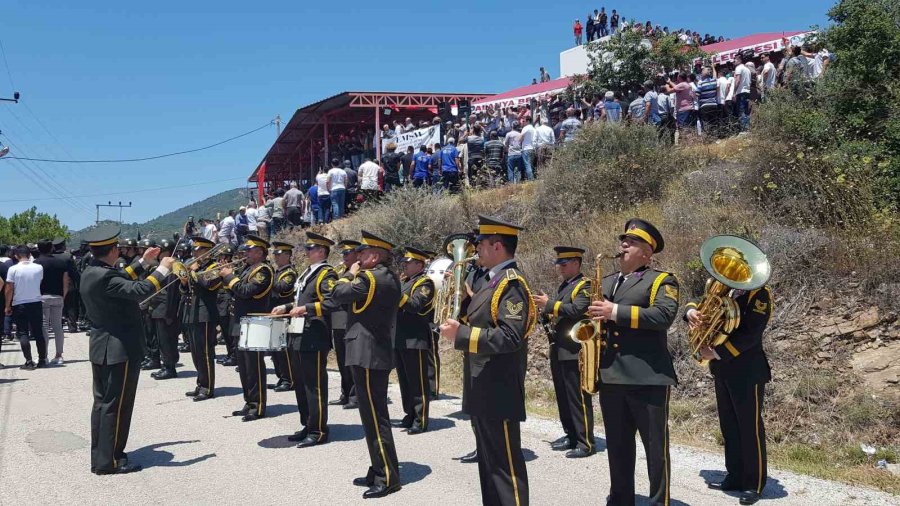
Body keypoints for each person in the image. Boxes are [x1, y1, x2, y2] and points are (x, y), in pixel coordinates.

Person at [439, 215, 535, 506]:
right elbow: (483, 318)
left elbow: (509, 337)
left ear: (497, 246)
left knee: (505, 467)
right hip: (483, 381)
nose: (475, 249)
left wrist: (462, 334)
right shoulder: (491, 282)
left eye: (480, 244)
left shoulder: (512, 284)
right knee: (490, 465)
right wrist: (462, 297)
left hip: (499, 385)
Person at [587, 219, 679, 506]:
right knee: (617, 444)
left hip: (647, 376)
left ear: (647, 253)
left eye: (632, 242)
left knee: (654, 448)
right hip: (612, 376)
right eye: (623, 240)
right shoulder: (605, 281)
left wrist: (614, 311)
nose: (623, 245)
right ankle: (620, 498)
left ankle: (657, 501)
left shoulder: (662, 280)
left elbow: (663, 317)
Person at [80, 224, 173, 474]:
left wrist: (143, 262)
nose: (120, 251)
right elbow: (139, 290)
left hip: (102, 346)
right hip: (119, 348)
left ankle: (101, 456)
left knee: (103, 404)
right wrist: (163, 269)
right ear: (112, 251)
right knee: (118, 406)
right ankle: (111, 460)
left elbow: (121, 280)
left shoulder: (92, 272)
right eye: (117, 248)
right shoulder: (107, 276)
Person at [329, 231, 402, 499]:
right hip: (369, 351)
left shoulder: (371, 278)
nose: (356, 258)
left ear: (374, 256)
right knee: (370, 417)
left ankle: (387, 477)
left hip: (370, 353)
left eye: (362, 254)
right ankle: (378, 467)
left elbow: (338, 292)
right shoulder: (380, 277)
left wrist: (349, 273)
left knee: (375, 417)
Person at [688, 276, 773, 506]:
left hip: (747, 371)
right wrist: (691, 312)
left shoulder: (759, 294)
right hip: (723, 370)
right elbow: (700, 303)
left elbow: (751, 334)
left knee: (749, 427)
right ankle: (735, 475)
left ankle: (753, 484)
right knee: (729, 426)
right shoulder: (723, 290)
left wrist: (717, 353)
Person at [273, 234, 338, 447]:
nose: (306, 251)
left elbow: (331, 302)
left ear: (321, 251)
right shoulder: (308, 272)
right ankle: (307, 424)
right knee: (301, 383)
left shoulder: (327, 274)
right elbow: (300, 300)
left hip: (314, 335)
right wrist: (287, 307)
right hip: (299, 334)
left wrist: (307, 309)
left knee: (314, 385)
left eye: (310, 248)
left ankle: (319, 429)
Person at [532, 246, 596, 459]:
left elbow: (577, 309)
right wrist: (545, 311)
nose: (560, 268)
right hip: (559, 347)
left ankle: (585, 441)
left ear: (577, 263)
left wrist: (549, 304)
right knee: (562, 395)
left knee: (577, 396)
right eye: (559, 264)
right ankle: (570, 434)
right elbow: (560, 312)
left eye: (564, 264)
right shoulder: (564, 286)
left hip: (574, 349)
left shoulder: (585, 285)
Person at [220, 235, 273, 421]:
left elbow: (245, 291)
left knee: (254, 367)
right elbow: (235, 290)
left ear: (259, 252)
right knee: (243, 366)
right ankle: (249, 401)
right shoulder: (247, 269)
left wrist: (229, 276)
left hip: (255, 322)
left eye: (250, 251)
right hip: (241, 322)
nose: (246, 254)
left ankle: (258, 406)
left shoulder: (263, 271)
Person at [394, 247, 436, 435]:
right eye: (404, 262)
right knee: (405, 380)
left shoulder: (425, 283)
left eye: (408, 263)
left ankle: (421, 418)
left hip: (415, 338)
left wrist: (394, 292)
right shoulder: (405, 281)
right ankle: (409, 413)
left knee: (418, 381)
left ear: (419, 264)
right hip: (401, 337)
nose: (404, 265)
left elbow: (415, 305)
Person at [178, 236, 221, 402]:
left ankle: (208, 386)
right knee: (195, 352)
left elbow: (209, 285)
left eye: (198, 250)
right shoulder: (194, 267)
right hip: (191, 312)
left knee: (205, 352)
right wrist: (183, 280)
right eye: (194, 250)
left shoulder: (215, 266)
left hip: (205, 314)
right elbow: (185, 291)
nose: (194, 252)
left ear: (206, 252)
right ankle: (200, 383)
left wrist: (194, 271)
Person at [330, 240, 361, 409]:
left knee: (352, 361)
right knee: (342, 361)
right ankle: (345, 392)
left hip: (351, 320)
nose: (344, 257)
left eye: (348, 253)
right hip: (338, 321)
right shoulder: (341, 271)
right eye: (343, 254)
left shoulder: (359, 273)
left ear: (357, 255)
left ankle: (355, 396)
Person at [4, 245, 47, 369]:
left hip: (20, 303)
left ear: (16, 256)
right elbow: (39, 282)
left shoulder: (13, 269)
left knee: (23, 332)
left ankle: (28, 361)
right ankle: (42, 360)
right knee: (38, 331)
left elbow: (9, 288)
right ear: (29, 255)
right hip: (36, 302)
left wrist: (8, 305)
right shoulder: (39, 268)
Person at [147, 238, 182, 380]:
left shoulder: (173, 266)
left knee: (167, 340)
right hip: (158, 308)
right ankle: (165, 365)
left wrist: (169, 314)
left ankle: (169, 368)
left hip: (165, 310)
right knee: (161, 340)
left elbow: (172, 293)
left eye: (161, 250)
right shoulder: (163, 265)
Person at [268, 241, 298, 393]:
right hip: (275, 314)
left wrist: (267, 278)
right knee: (275, 350)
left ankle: (289, 379)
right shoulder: (277, 272)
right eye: (275, 254)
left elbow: (281, 288)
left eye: (278, 254)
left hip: (285, 314)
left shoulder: (289, 273)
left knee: (284, 349)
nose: (275, 257)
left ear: (287, 255)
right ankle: (281, 377)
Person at [35, 239, 71, 365]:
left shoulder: (37, 263)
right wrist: (63, 295)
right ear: (51, 248)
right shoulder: (60, 262)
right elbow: (65, 281)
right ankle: (59, 355)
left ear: (39, 249)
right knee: (58, 327)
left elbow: (36, 282)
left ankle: (43, 356)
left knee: (44, 327)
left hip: (42, 297)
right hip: (58, 296)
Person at [733, 53, 752, 131]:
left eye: (735, 59)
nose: (734, 61)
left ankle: (744, 130)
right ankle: (747, 128)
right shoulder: (747, 69)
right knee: (746, 110)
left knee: (741, 110)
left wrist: (734, 92)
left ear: (739, 59)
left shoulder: (738, 68)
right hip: (747, 91)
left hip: (741, 92)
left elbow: (737, 80)